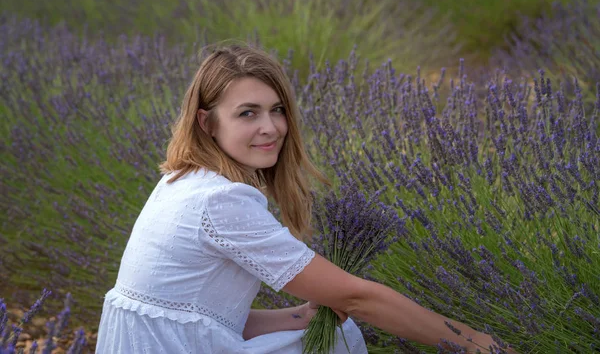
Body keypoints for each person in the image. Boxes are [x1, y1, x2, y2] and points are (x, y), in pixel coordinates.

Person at [96, 44, 510, 354]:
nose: (271, 127)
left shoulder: (181, 180)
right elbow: (355, 297)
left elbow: (187, 318)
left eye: (277, 110)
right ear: (207, 122)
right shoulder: (221, 201)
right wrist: (473, 342)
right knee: (340, 340)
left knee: (330, 332)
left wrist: (295, 317)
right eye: (247, 113)